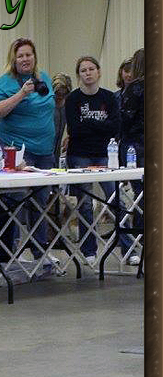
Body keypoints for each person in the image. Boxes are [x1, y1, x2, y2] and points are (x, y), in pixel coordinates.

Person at [0, 37, 58, 265]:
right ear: (14, 59)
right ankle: (10, 252)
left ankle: (40, 251)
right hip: (16, 151)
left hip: (44, 150)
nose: (25, 59)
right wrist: (21, 95)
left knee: (40, 201)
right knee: (15, 200)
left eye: (29, 54)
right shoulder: (5, 82)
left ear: (34, 57)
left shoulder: (44, 77)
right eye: (20, 56)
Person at [64, 56, 120, 267]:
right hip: (79, 154)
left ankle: (125, 244)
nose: (87, 73)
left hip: (105, 153)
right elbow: (75, 130)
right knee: (85, 203)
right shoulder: (72, 99)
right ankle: (89, 250)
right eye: (83, 70)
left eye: (91, 69)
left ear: (99, 72)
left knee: (114, 198)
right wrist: (99, 124)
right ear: (79, 74)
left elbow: (115, 127)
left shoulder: (109, 97)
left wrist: (88, 122)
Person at [119, 48, 144, 266]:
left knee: (138, 196)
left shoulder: (134, 89)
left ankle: (141, 239)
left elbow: (124, 120)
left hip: (134, 148)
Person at [51, 73, 73, 161]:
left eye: (63, 94)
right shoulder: (47, 105)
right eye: (57, 93)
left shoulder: (68, 105)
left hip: (57, 151)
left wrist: (69, 136)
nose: (60, 96)